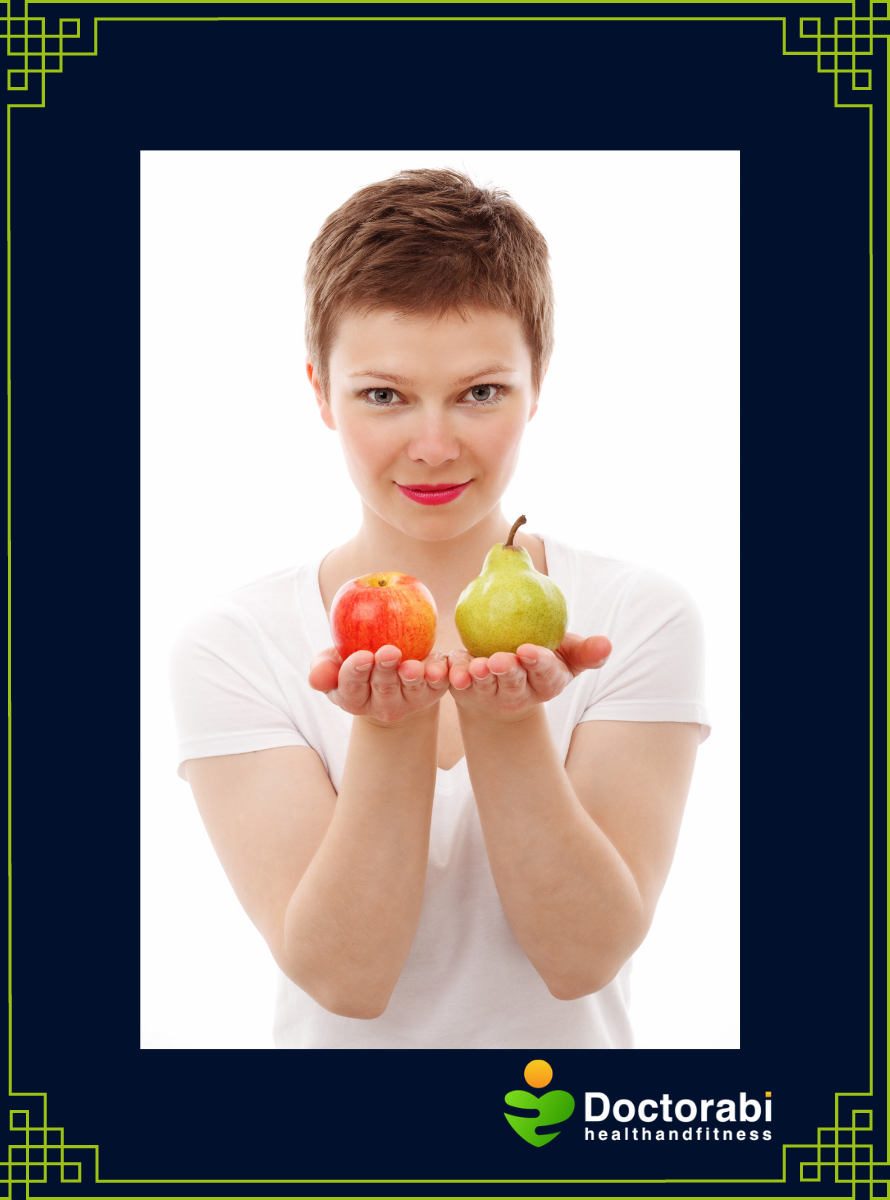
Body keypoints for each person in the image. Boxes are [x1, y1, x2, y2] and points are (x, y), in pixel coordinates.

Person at [169, 168, 711, 1050]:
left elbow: (583, 959)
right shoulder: (235, 645)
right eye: (383, 395)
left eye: (480, 393)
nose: (433, 446)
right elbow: (347, 980)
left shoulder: (638, 616)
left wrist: (507, 728)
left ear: (538, 386)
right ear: (319, 392)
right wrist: (388, 731)